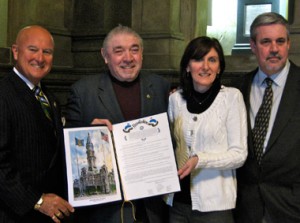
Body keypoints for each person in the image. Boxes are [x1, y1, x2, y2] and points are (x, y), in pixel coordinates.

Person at [65, 25, 170, 223]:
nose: (128, 58)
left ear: (142, 54)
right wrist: (88, 130)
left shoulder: (160, 86)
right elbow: (67, 146)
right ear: (105, 56)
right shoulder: (83, 91)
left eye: (134, 49)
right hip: (106, 211)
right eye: (118, 51)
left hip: (151, 206)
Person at [164, 36, 247, 223]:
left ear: (219, 68)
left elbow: (239, 154)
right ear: (187, 66)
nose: (205, 66)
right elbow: (170, 146)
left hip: (214, 207)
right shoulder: (175, 99)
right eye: (198, 59)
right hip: (177, 204)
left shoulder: (232, 98)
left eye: (212, 60)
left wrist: (200, 160)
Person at [0, 25, 74, 223]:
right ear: (15, 51)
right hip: (16, 215)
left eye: (47, 52)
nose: (40, 58)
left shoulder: (49, 96)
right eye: (32, 50)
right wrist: (38, 201)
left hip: (50, 214)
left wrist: (92, 130)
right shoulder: (3, 94)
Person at [234, 12, 300, 223]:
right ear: (253, 46)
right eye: (265, 42)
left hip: (291, 209)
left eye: (280, 41)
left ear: (288, 44)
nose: (274, 49)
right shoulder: (238, 89)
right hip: (246, 210)